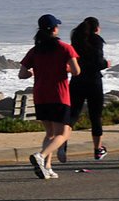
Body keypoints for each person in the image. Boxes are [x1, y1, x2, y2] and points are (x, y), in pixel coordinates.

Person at [19, 14, 81, 179]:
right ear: (54, 29)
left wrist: (33, 72)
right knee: (63, 133)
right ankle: (41, 155)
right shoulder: (65, 48)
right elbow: (76, 71)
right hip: (59, 95)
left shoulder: (35, 50)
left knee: (50, 134)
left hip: (40, 95)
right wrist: (65, 69)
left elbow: (22, 74)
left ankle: (47, 166)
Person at [64, 17, 109, 162]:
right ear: (97, 28)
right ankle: (97, 149)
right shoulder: (96, 40)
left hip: (77, 81)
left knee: (72, 115)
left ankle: (62, 143)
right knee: (95, 116)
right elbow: (97, 62)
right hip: (94, 81)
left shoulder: (76, 39)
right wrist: (106, 64)